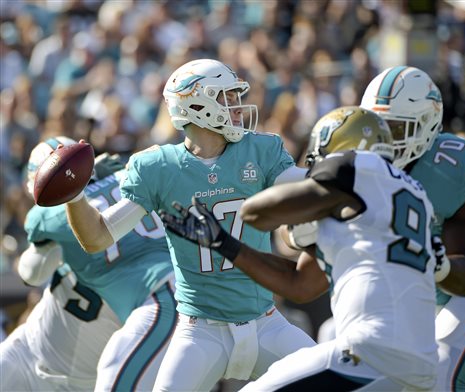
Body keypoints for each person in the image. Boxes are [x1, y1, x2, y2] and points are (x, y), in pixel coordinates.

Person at [65, 59, 316, 391]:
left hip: (266, 323)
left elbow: (302, 186)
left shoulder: (260, 150)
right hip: (200, 331)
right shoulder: (159, 167)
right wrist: (72, 195)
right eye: (225, 97)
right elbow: (97, 237)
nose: (237, 106)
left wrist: (337, 171)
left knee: (337, 383)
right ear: (197, 105)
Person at [160, 106, 441, 390]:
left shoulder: (352, 168)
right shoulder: (413, 196)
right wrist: (225, 243)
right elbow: (299, 285)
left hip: (369, 352)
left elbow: (257, 213)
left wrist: (247, 184)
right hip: (423, 365)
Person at [360, 66, 465, 392]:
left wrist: (437, 262)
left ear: (427, 125)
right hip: (435, 298)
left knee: (437, 374)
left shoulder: (448, 170)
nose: (384, 140)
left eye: (397, 128)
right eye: (378, 127)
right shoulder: (359, 167)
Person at [0, 136, 176, 392]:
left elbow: (31, 273)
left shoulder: (56, 219)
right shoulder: (135, 187)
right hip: (33, 352)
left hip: (59, 366)